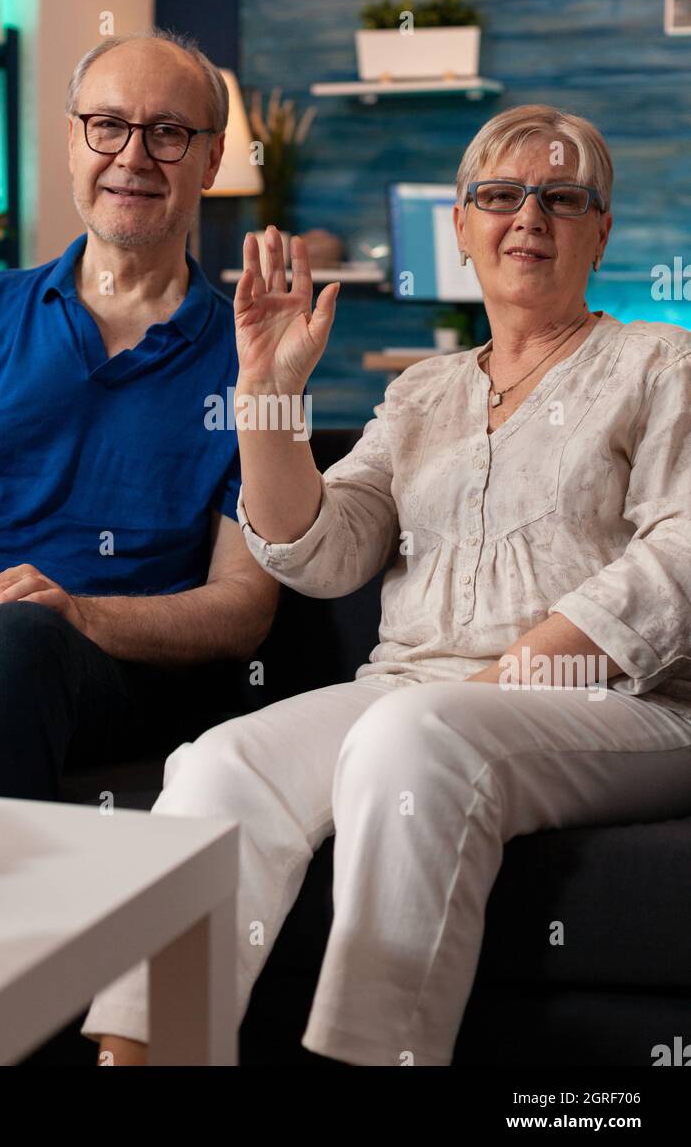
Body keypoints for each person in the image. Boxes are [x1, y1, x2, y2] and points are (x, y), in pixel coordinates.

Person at [84, 104, 691, 1066]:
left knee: (416, 736)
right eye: (499, 195)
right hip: (414, 690)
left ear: (600, 229)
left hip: (625, 702)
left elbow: (682, 554)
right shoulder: (422, 392)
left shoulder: (664, 363)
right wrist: (269, 393)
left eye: (562, 197)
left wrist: (523, 671)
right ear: (461, 225)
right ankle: (145, 1059)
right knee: (216, 765)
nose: (528, 217)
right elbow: (320, 551)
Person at [0, 30, 278, 801]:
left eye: (167, 133)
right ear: (73, 142)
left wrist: (80, 615)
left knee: (14, 635)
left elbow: (241, 611)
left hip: (81, 665)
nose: (132, 157)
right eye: (107, 125)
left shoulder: (256, 357)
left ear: (209, 160)